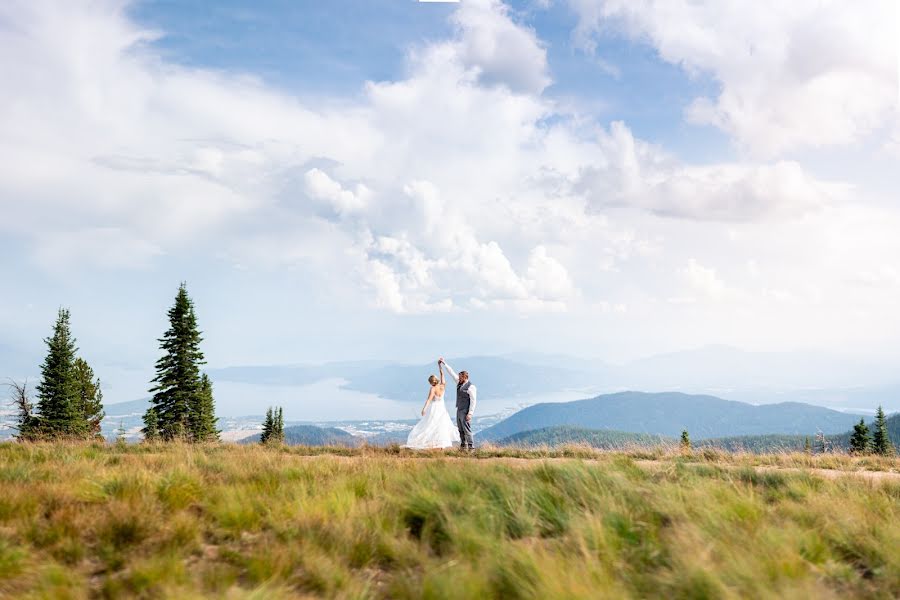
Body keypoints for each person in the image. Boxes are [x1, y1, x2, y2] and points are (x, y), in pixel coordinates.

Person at [403, 360, 459, 449]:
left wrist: (424, 409)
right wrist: (440, 366)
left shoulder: (433, 389)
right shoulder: (442, 386)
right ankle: (442, 444)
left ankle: (431, 442)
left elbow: (429, 400)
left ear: (431, 382)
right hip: (442, 409)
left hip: (434, 408)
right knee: (441, 425)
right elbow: (442, 375)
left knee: (430, 424)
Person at [439, 357, 476, 450]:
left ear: (465, 377)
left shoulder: (471, 387)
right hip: (459, 409)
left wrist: (470, 413)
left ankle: (471, 447)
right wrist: (444, 363)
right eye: (459, 377)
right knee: (460, 429)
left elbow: (473, 400)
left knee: (467, 429)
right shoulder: (459, 383)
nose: (458, 378)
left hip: (465, 410)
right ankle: (463, 446)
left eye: (460, 377)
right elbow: (451, 373)